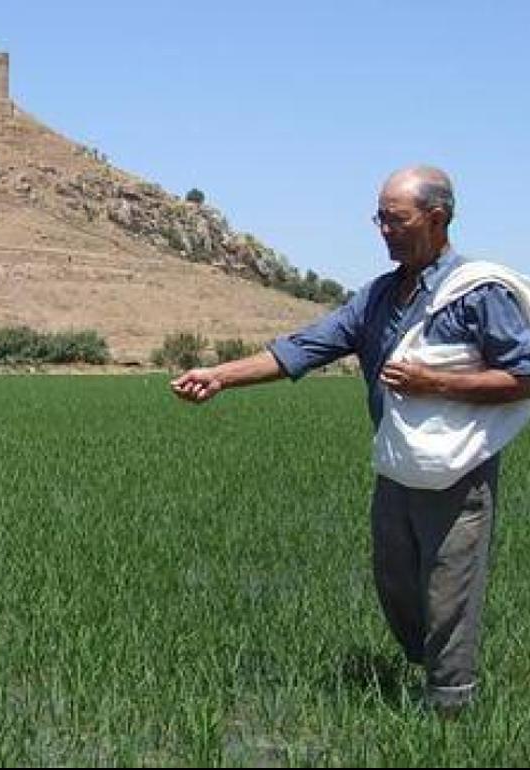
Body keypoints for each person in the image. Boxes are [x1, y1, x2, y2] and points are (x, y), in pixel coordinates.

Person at [170, 166, 530, 713]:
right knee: (396, 584)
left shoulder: (477, 295)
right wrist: (219, 376)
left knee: (449, 594)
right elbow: (302, 347)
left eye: (395, 219)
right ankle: (426, 671)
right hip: (397, 466)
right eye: (378, 219)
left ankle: (451, 711)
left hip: (460, 472)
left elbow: (524, 376)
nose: (383, 229)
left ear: (436, 219)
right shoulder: (378, 298)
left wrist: (439, 383)